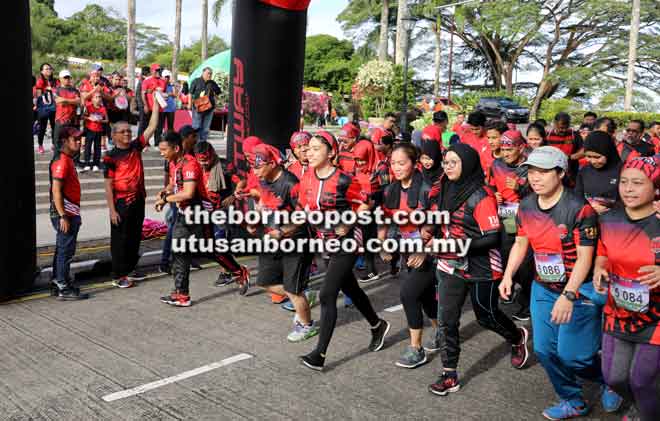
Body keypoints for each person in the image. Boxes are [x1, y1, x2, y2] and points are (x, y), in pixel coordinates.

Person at [499, 146, 623, 420]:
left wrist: (569, 294)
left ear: (561, 172)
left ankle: (609, 378)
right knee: (544, 350)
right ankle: (572, 399)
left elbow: (584, 259)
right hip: (543, 287)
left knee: (573, 356)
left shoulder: (581, 210)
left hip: (578, 289)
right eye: (531, 171)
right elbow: (521, 242)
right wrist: (508, 275)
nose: (535, 177)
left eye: (543, 171)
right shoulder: (527, 205)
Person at [428, 144, 529, 397]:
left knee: (486, 316)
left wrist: (458, 244)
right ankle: (449, 374)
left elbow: (493, 238)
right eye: (446, 162)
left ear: (468, 164)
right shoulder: (443, 187)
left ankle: (517, 337)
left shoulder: (481, 195)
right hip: (450, 264)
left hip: (482, 265)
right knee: (446, 320)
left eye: (454, 162)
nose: (448, 167)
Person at [298, 131, 390, 371]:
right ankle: (377, 324)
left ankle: (319, 355)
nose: (310, 152)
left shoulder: (343, 180)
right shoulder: (306, 178)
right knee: (350, 287)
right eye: (309, 148)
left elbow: (365, 205)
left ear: (331, 153)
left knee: (327, 295)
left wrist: (347, 222)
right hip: (325, 243)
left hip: (347, 243)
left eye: (317, 148)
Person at [594, 156, 660, 421]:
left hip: (655, 317)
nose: (629, 189)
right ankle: (645, 406)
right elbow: (603, 251)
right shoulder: (609, 219)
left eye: (637, 183)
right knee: (614, 377)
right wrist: (600, 267)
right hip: (618, 311)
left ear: (655, 187)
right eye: (624, 182)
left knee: (642, 380)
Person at [246, 143, 320, 342]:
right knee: (265, 282)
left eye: (258, 167)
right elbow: (263, 203)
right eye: (253, 167)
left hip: (296, 241)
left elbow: (305, 215)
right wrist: (254, 222)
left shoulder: (290, 183)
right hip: (271, 239)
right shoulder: (264, 180)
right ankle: (306, 296)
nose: (255, 172)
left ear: (272, 164)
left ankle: (307, 325)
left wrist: (283, 231)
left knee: (293, 290)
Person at [380, 143, 438, 368]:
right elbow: (385, 219)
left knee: (408, 294)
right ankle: (440, 328)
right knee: (423, 297)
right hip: (409, 252)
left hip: (432, 252)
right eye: (393, 163)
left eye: (402, 163)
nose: (396, 167)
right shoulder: (391, 190)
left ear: (414, 164)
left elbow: (438, 223)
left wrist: (423, 249)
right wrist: (383, 244)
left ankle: (416, 349)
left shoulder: (427, 188)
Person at [103, 95, 160, 288]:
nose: (128, 134)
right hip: (121, 203)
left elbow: (151, 128)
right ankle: (119, 275)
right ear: (115, 136)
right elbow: (108, 185)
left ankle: (130, 269)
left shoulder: (136, 147)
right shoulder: (110, 157)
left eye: (129, 131)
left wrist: (156, 105)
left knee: (135, 235)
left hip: (138, 200)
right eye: (123, 132)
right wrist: (112, 210)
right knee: (120, 239)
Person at [193, 140, 250, 288]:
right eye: (201, 161)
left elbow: (242, 180)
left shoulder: (224, 166)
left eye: (206, 160)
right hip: (203, 210)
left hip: (221, 210)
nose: (203, 164)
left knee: (220, 242)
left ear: (212, 156)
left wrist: (234, 196)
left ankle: (227, 272)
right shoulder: (194, 166)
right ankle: (232, 269)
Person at [489, 130, 533, 319]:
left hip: (528, 218)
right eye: (503, 149)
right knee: (507, 255)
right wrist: (495, 195)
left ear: (521, 147)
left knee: (526, 263)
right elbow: (490, 186)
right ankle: (510, 289)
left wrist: (521, 188)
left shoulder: (531, 166)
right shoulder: (497, 164)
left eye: (510, 149)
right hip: (507, 216)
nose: (505, 153)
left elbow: (542, 196)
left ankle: (528, 301)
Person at [49, 127, 88, 300]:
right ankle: (63, 287)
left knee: (62, 250)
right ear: (65, 141)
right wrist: (63, 215)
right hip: (66, 214)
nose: (79, 142)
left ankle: (58, 282)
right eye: (75, 139)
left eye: (80, 139)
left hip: (69, 212)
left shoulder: (66, 159)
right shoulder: (62, 162)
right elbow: (56, 190)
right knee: (65, 251)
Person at [352, 139, 380, 284]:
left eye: (362, 160)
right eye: (357, 160)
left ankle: (372, 270)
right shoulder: (356, 170)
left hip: (374, 211)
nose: (360, 163)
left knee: (370, 239)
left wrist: (373, 202)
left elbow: (387, 191)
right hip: (359, 210)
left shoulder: (380, 169)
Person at [575, 131, 622, 214]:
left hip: (616, 221)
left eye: (597, 157)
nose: (593, 161)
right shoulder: (584, 171)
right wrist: (589, 207)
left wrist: (610, 208)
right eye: (589, 156)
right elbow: (578, 196)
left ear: (608, 153)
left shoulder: (623, 171)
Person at [547, 112, 583, 186]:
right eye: (560, 128)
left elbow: (584, 150)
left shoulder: (575, 135)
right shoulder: (547, 135)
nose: (563, 130)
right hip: (552, 174)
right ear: (554, 123)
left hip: (571, 174)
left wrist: (569, 157)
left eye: (566, 128)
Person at [189, 67, 221, 142]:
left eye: (211, 74)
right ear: (203, 73)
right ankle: (196, 142)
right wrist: (189, 104)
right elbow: (190, 93)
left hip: (210, 108)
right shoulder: (196, 81)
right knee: (196, 126)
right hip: (198, 107)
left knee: (206, 128)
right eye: (208, 73)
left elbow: (218, 93)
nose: (209, 75)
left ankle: (203, 143)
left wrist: (215, 104)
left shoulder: (212, 83)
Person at [53, 70, 81, 151]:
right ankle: (57, 161)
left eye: (69, 77)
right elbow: (58, 100)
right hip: (61, 120)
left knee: (74, 142)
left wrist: (64, 100)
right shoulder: (56, 90)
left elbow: (78, 101)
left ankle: (75, 162)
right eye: (65, 78)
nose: (67, 79)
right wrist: (72, 100)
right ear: (60, 79)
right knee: (58, 144)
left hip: (73, 120)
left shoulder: (75, 90)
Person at [141, 64, 167, 146]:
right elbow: (143, 94)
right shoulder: (147, 81)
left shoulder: (163, 81)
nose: (158, 72)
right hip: (150, 107)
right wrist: (145, 105)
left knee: (159, 127)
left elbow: (163, 93)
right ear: (152, 71)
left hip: (160, 108)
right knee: (148, 126)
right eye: (157, 70)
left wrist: (166, 96)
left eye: (159, 70)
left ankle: (157, 143)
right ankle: (145, 143)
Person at [35, 63, 58, 154]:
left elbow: (58, 91)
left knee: (54, 126)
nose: (49, 70)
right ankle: (40, 145)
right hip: (44, 107)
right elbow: (39, 95)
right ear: (42, 71)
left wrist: (52, 89)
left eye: (50, 68)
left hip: (54, 107)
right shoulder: (40, 81)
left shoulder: (55, 81)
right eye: (46, 69)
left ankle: (53, 144)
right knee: (42, 127)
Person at [82, 91, 108, 172]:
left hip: (99, 130)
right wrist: (89, 118)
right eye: (96, 97)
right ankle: (87, 163)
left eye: (99, 97)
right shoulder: (88, 107)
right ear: (92, 99)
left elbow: (107, 120)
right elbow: (83, 116)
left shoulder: (103, 108)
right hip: (89, 129)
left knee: (97, 147)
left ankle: (96, 164)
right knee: (88, 147)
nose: (98, 99)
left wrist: (101, 120)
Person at [136, 66, 151, 136]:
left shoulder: (143, 80)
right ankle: (140, 138)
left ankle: (144, 139)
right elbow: (144, 92)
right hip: (142, 104)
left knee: (145, 123)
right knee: (143, 123)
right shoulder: (143, 81)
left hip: (144, 104)